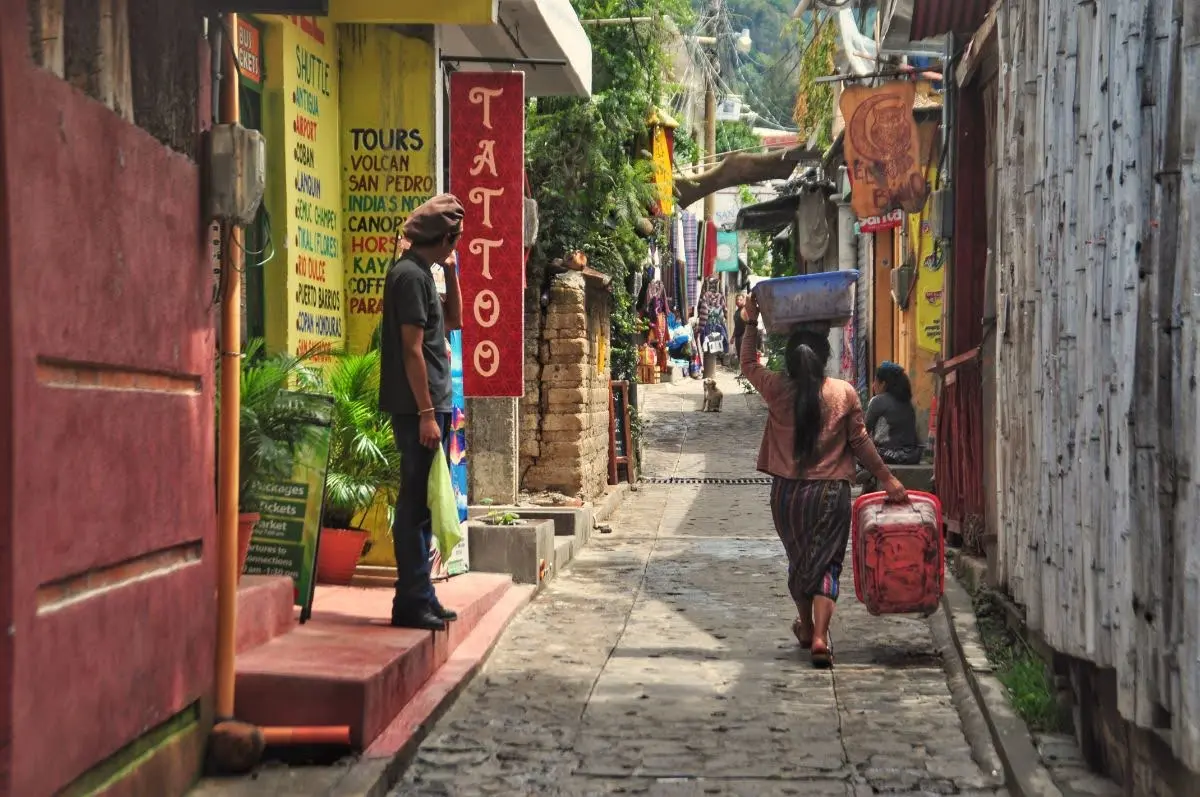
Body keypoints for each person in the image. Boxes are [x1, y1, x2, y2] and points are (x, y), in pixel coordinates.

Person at [739, 295, 906, 668]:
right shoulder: (844, 393)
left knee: (799, 562)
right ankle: (818, 636)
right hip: (831, 494)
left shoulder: (777, 388)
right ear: (824, 358)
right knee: (827, 564)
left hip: (787, 495)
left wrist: (750, 322)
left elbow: (748, 363)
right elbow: (860, 442)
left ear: (792, 360)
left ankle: (806, 624)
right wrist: (888, 479)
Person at [380, 194, 465, 632]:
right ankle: (410, 601)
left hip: (431, 404)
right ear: (444, 237)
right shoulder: (409, 277)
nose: (455, 249)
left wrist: (450, 274)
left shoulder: (423, 274)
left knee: (425, 506)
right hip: (420, 409)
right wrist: (428, 413)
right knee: (414, 505)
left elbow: (452, 322)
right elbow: (412, 351)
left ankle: (421, 595)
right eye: (454, 243)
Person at [866, 361, 924, 465]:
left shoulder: (877, 401)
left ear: (883, 384)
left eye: (875, 381)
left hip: (889, 455)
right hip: (911, 456)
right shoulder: (908, 403)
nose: (873, 385)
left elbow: (863, 431)